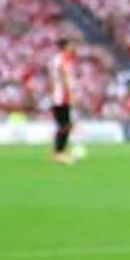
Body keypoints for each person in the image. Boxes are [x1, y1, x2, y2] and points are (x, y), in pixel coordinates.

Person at [47, 37, 79, 166]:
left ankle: (60, 152)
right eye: (71, 45)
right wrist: (70, 95)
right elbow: (63, 77)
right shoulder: (60, 59)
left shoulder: (66, 59)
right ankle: (58, 153)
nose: (74, 47)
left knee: (66, 125)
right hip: (61, 96)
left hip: (62, 96)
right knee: (64, 125)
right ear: (65, 47)